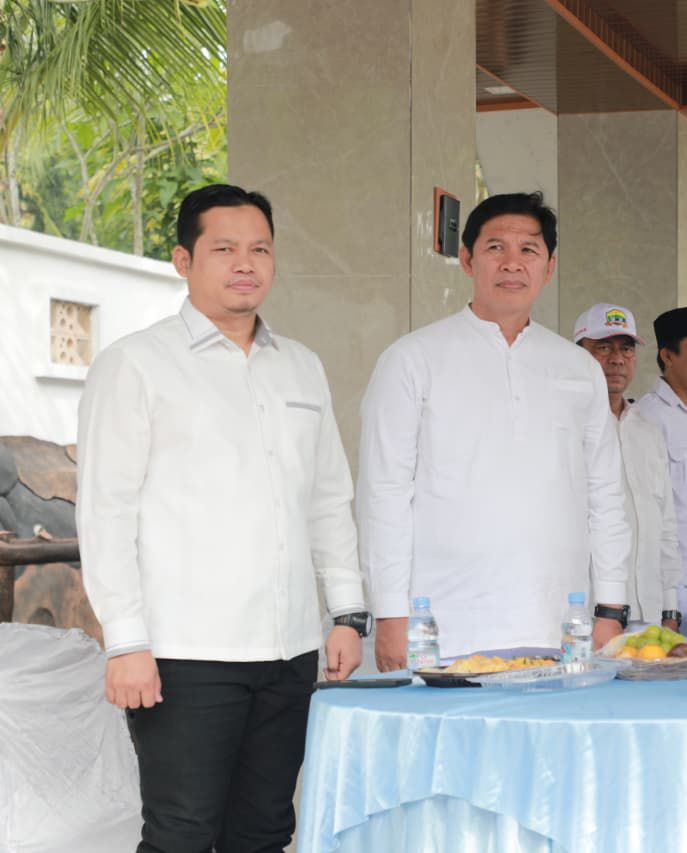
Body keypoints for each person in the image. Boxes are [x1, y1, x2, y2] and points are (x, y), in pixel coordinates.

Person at [77, 184, 368, 852]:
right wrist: (125, 642)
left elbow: (328, 498)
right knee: (181, 833)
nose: (246, 263)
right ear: (183, 259)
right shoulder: (135, 364)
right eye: (225, 248)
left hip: (290, 650)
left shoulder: (302, 367)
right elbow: (107, 512)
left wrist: (347, 614)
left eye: (260, 249)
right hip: (184, 654)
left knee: (265, 831)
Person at [357, 192, 631, 666]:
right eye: (495, 248)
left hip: (558, 629)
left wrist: (610, 606)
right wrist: (390, 614)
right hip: (441, 630)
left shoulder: (577, 368)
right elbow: (384, 493)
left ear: (549, 266)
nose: (512, 263)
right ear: (467, 259)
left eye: (529, 249)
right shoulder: (412, 359)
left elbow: (606, 494)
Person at [574, 303, 682, 631]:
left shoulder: (647, 431)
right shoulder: (567, 428)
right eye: (603, 348)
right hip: (589, 613)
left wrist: (670, 608)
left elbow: (665, 524)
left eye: (626, 349)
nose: (617, 359)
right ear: (578, 355)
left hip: (648, 613)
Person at [633, 305, 687, 632]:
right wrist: (667, 604)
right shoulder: (647, 418)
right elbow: (646, 519)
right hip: (672, 597)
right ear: (668, 356)